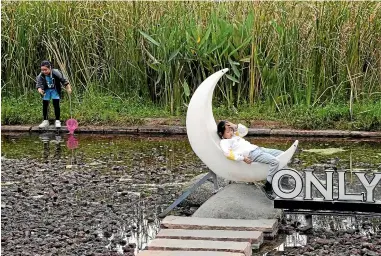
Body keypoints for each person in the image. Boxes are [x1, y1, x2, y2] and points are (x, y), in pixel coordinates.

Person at [217, 120, 284, 199]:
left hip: (258, 149)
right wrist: (243, 158)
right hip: (252, 154)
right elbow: (228, 154)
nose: (231, 133)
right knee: (275, 161)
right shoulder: (225, 142)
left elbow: (245, 130)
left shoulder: (234, 136)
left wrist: (235, 126)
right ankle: (268, 186)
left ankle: (283, 180)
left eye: (231, 130)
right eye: (228, 132)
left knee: (283, 154)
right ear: (221, 134)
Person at [36, 60, 72, 128]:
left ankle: (57, 120)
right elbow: (38, 84)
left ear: (50, 68)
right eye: (42, 70)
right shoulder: (41, 75)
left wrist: (68, 88)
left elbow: (64, 80)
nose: (44, 71)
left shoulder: (56, 72)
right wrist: (40, 90)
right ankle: (45, 121)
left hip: (55, 90)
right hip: (46, 90)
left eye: (45, 70)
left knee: (56, 104)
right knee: (45, 104)